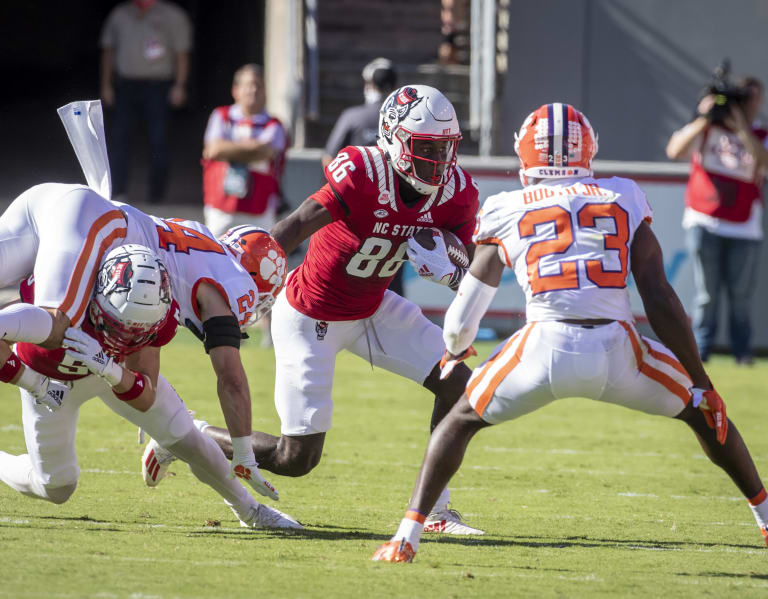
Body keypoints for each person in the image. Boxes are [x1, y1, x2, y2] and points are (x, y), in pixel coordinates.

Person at [372, 103, 768, 562]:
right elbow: (658, 296)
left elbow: (464, 318)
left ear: (525, 153)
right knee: (704, 413)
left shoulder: (505, 207)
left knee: (459, 420)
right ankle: (764, 519)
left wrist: (455, 351)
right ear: (588, 149)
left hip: (541, 348)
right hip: (620, 350)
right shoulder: (621, 194)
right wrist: (703, 382)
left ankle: (407, 535)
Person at [143, 84, 486, 535]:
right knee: (296, 457)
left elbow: (471, 266)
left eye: (447, 148)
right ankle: (188, 435)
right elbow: (296, 225)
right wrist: (241, 278)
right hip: (311, 314)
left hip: (374, 306)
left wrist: (454, 267)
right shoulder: (365, 171)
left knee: (461, 387)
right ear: (393, 138)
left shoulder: (457, 192)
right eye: (428, 148)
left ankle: (435, 512)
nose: (440, 161)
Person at [0, 181, 289, 520]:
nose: (129, 333)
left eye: (140, 326)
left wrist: (109, 368)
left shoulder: (157, 303)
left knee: (185, 436)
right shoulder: (220, 285)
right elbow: (231, 377)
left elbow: (146, 389)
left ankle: (251, 510)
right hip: (50, 368)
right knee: (55, 483)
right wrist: (33, 383)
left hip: (105, 355)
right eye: (122, 322)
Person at [666, 77, 768, 365]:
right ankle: (701, 351)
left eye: (752, 98)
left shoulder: (759, 134)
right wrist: (703, 117)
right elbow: (674, 150)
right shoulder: (707, 129)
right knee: (705, 294)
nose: (747, 103)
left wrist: (741, 128)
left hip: (744, 227)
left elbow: (764, 161)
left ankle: (742, 352)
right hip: (704, 220)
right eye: (742, 98)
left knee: (740, 295)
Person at [321, 58, 404, 296]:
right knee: (391, 278)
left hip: (357, 210)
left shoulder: (353, 116)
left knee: (347, 270)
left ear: (368, 84)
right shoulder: (403, 121)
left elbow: (329, 159)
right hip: (396, 211)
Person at [99, 0, 193, 204]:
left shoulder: (172, 15)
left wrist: (180, 85)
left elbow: (181, 54)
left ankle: (156, 195)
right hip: (126, 85)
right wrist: (106, 85)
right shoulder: (120, 14)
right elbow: (108, 51)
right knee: (119, 139)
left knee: (159, 140)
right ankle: (117, 192)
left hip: (158, 86)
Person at [202, 64, 289, 238]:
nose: (253, 90)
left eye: (258, 85)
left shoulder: (275, 125)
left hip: (260, 207)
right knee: (215, 254)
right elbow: (213, 150)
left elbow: (266, 152)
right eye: (248, 85)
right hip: (221, 206)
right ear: (236, 90)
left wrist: (230, 149)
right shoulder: (221, 116)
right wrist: (252, 148)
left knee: (258, 260)